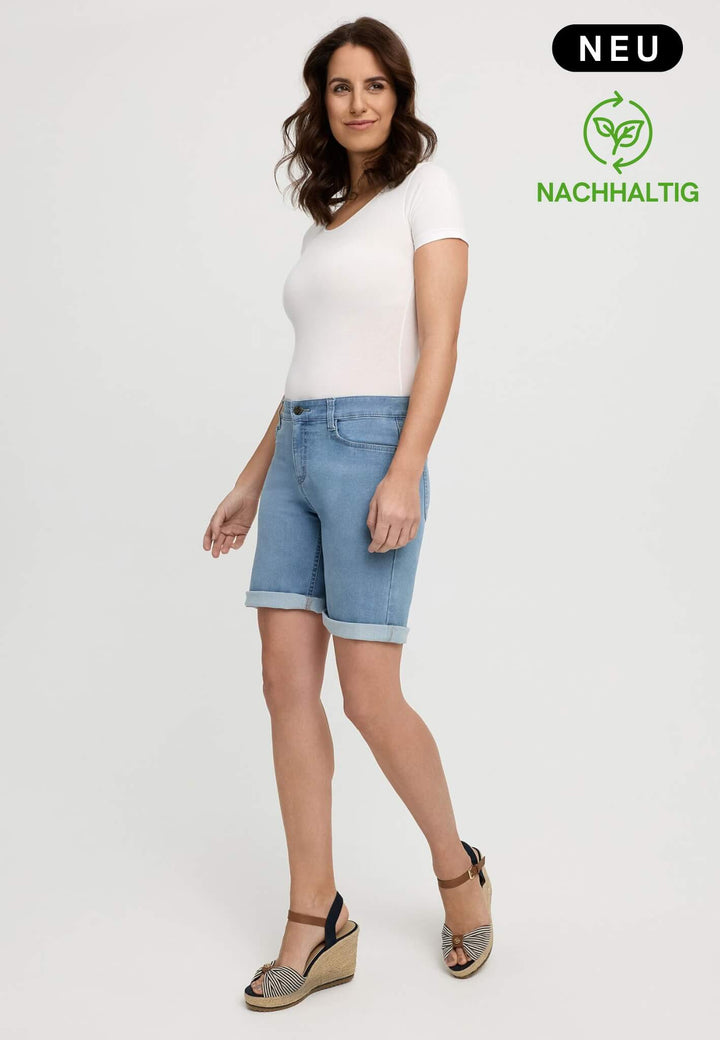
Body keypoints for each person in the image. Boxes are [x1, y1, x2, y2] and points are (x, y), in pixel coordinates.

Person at [203, 17, 493, 1011]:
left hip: (374, 451)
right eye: (339, 86)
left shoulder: (428, 190)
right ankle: (315, 916)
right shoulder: (326, 219)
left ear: (399, 95)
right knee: (285, 684)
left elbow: (440, 340)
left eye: (374, 84)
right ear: (320, 102)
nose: (357, 101)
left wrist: (405, 470)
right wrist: (252, 478)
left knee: (369, 695)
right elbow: (307, 368)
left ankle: (457, 871)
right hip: (296, 450)